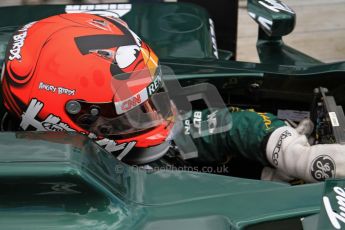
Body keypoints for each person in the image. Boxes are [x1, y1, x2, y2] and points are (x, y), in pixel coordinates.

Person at [1, 13, 344, 183]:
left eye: (146, 99)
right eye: (129, 111)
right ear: (69, 118)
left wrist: (292, 152)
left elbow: (222, 125)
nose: (151, 114)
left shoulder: (138, 128)